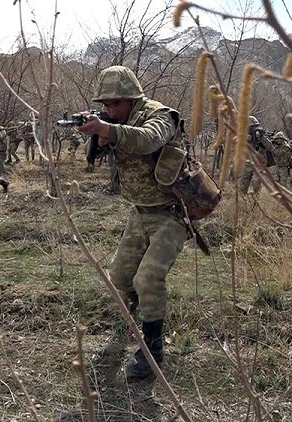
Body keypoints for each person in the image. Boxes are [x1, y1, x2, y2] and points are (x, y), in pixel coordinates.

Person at [78, 65, 187, 379]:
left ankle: (152, 351)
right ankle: (143, 317)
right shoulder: (116, 121)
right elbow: (93, 159)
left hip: (172, 213)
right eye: (106, 105)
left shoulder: (161, 116)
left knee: (148, 278)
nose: (111, 109)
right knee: (121, 278)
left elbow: (148, 141)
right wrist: (98, 135)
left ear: (132, 98)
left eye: (116, 103)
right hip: (140, 212)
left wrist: (107, 128)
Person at [237, 115, 275, 194]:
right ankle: (244, 201)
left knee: (256, 184)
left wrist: (261, 138)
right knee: (242, 184)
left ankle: (255, 201)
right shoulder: (244, 135)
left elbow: (270, 147)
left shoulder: (261, 135)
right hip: (248, 162)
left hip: (259, 163)